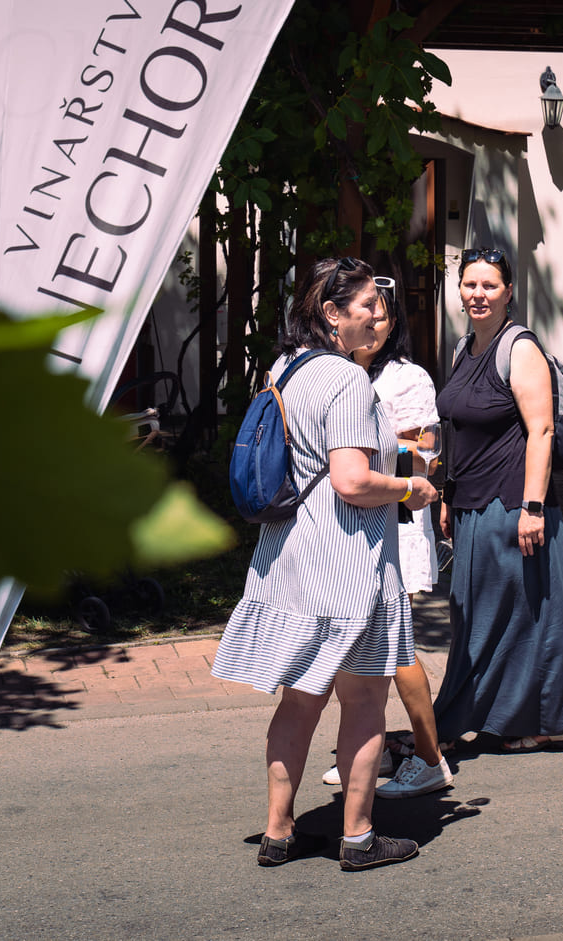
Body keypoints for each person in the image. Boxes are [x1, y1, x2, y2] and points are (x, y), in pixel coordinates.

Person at [211, 257, 438, 871]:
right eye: (366, 305)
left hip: (292, 554)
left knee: (299, 700)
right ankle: (358, 837)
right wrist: (410, 488)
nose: (378, 316)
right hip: (348, 563)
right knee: (363, 701)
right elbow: (352, 480)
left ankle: (278, 832)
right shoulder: (347, 379)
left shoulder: (286, 367)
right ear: (332, 314)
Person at [431, 247, 563, 752]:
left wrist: (533, 507)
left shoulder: (519, 348)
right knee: (482, 617)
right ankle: (509, 716)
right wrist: (448, 495)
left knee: (520, 618)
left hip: (510, 504)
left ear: (508, 293)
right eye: (470, 284)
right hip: (471, 504)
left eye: (489, 286)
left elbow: (541, 431)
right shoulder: (464, 348)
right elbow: (458, 430)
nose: (478, 294)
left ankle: (548, 720)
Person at [320, 279, 454, 799]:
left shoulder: (408, 377)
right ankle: (363, 751)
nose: (373, 323)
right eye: (366, 313)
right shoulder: (335, 370)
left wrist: (357, 447)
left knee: (396, 648)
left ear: (393, 322)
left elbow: (427, 455)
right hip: (349, 526)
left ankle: (430, 756)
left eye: (382, 315)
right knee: (353, 646)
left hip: (396, 520)